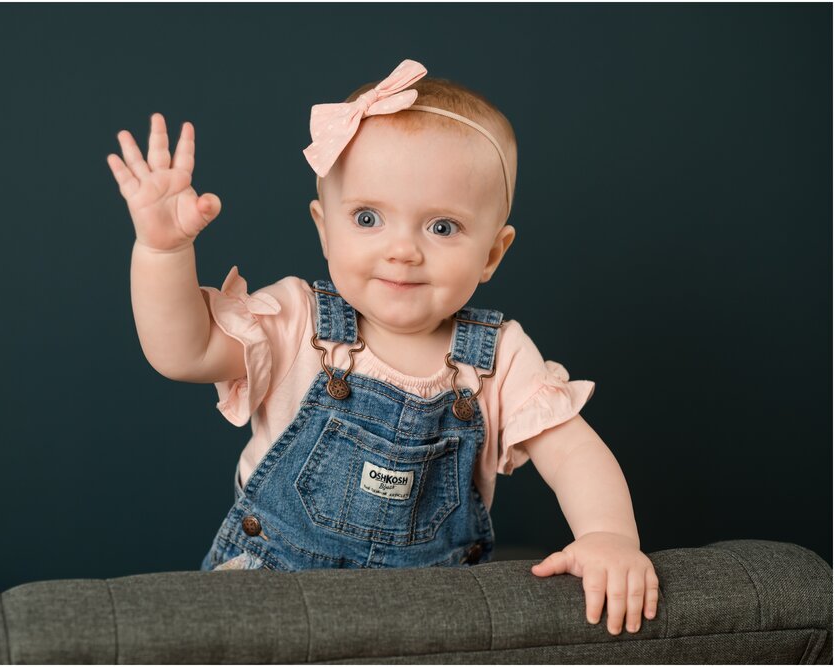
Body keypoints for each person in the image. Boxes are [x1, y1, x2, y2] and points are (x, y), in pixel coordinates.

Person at [107, 59, 659, 636]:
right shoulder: (299, 322)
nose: (402, 250)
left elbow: (574, 452)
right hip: (268, 602)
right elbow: (184, 352)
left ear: (493, 253)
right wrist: (163, 253)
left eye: (441, 227)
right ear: (325, 229)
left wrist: (608, 537)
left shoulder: (497, 359)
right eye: (368, 218)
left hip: (424, 621)